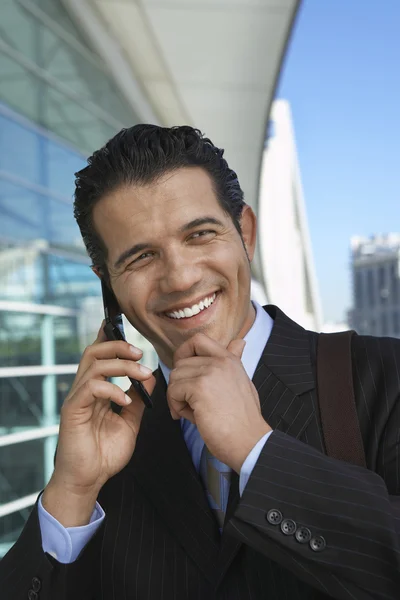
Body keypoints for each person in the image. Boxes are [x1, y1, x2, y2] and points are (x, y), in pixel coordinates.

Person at [1, 125, 399, 600]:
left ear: (245, 233)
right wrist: (69, 493)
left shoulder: (383, 376)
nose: (181, 277)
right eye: (141, 257)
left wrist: (257, 451)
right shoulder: (107, 445)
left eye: (200, 234)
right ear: (108, 284)